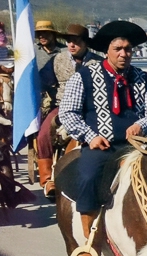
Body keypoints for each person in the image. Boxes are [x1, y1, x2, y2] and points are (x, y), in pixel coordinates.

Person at [58, 21, 147, 256]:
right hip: (101, 145)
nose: (124, 54)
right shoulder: (84, 76)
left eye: (128, 49)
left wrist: (141, 124)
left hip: (138, 145)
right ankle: (89, 244)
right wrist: (90, 136)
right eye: (118, 49)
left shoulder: (142, 78)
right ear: (108, 51)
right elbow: (68, 112)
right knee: (88, 175)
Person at [35, 23, 100, 196]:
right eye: (69, 41)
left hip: (91, 109)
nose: (71, 45)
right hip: (62, 106)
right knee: (43, 136)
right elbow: (42, 81)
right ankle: (48, 180)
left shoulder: (98, 63)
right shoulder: (57, 59)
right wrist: (53, 94)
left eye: (76, 41)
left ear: (85, 43)